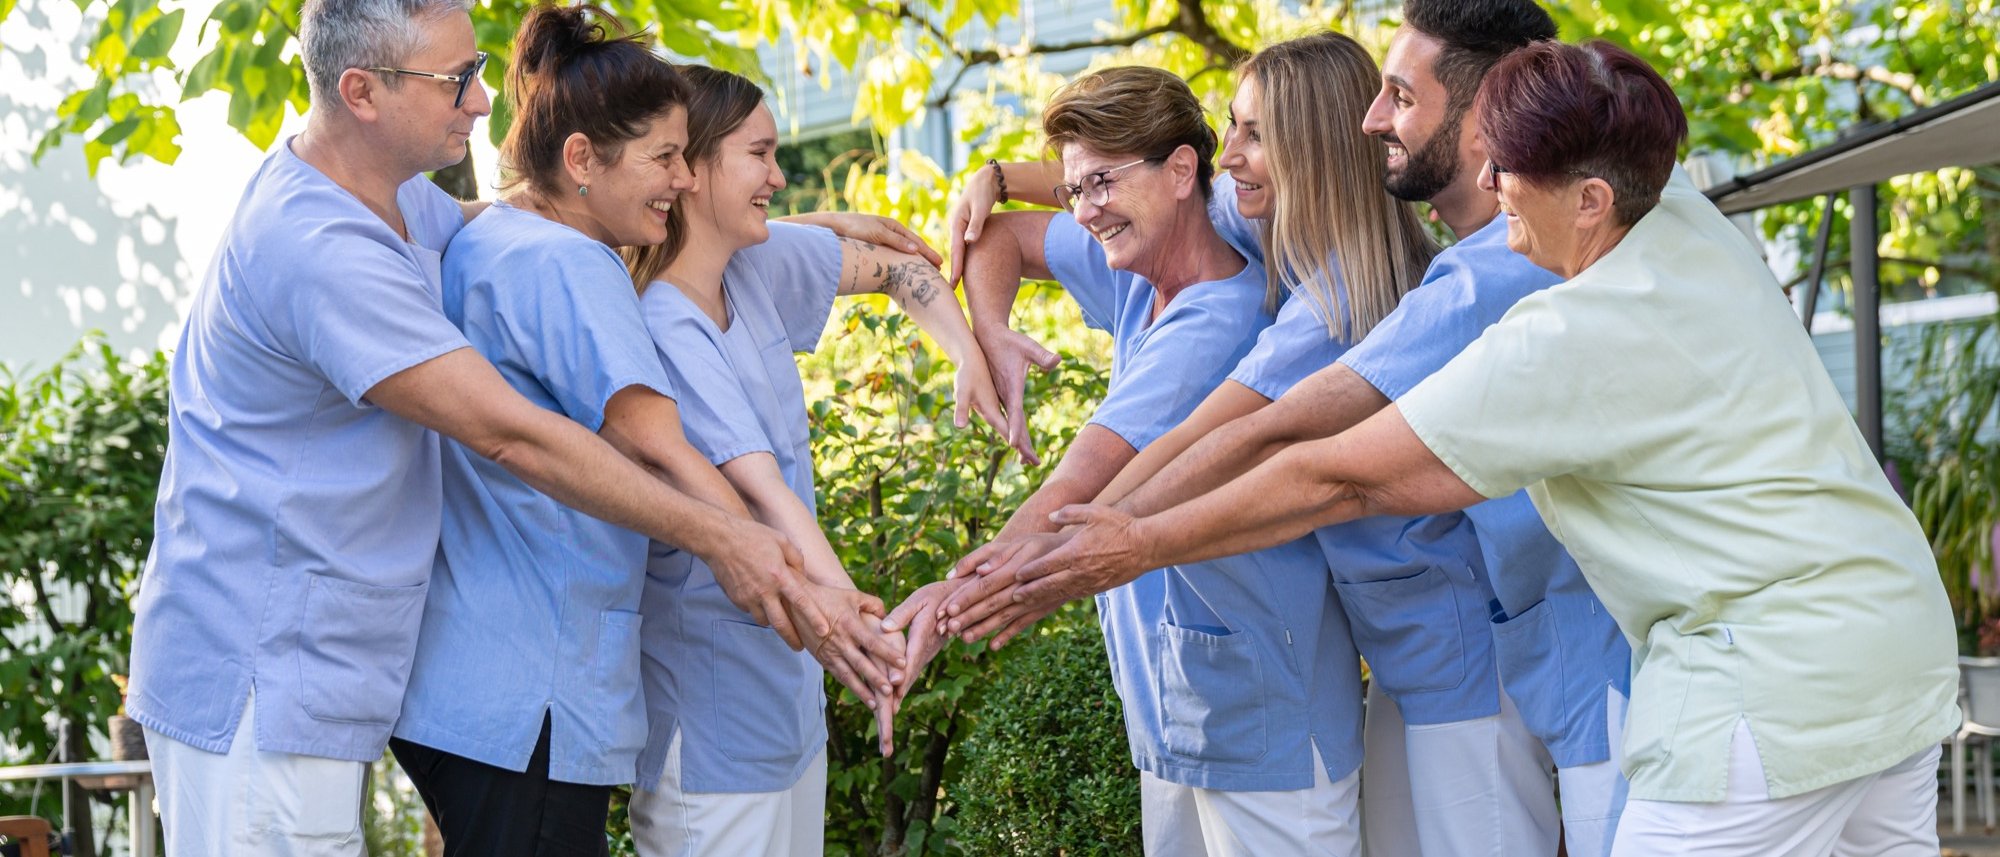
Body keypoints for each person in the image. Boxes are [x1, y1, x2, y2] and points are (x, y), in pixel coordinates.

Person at [1030, 38, 1959, 857]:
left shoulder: (1551, 334)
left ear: (1590, 197)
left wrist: (1140, 542)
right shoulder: (1676, 208)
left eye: (1507, 166)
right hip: (1897, 640)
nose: (1488, 181)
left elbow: (1338, 475)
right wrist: (1025, 179)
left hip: (1771, 684)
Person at [123, 1, 843, 852]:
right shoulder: (317, 245)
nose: (480, 101)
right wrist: (727, 538)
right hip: (258, 669)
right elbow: (513, 433)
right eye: (455, 80)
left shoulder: (396, 208)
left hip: (331, 670)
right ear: (361, 91)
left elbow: (511, 219)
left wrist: (770, 229)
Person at [936, 11, 1636, 853]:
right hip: (1409, 665)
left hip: (1466, 659)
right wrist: (1002, 173)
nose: (1229, 154)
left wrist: (1091, 546)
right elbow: (1148, 175)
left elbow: (1257, 439)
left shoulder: (1366, 294)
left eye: (1252, 135)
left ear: (1305, 151)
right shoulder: (1261, 219)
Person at [380, 10, 922, 855]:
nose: (682, 180)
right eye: (665, 158)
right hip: (533, 704)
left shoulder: (491, 235)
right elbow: (666, 451)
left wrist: (811, 228)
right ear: (583, 160)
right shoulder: (573, 266)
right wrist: (794, 583)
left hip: (473, 690)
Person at [887, 66, 1372, 855]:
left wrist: (949, 604)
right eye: (1075, 188)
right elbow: (1001, 235)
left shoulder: (1212, 321)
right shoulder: (1146, 270)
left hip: (1265, 723)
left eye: (1102, 183)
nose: (1085, 210)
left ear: (1183, 173)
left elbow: (1079, 485)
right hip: (1179, 713)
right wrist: (991, 328)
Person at [612, 65, 1004, 856]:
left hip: (789, 712)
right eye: (759, 154)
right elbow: (764, 497)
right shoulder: (666, 323)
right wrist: (862, 625)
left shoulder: (753, 265)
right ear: (694, 169)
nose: (779, 176)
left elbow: (903, 267)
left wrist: (967, 350)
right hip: (714, 728)